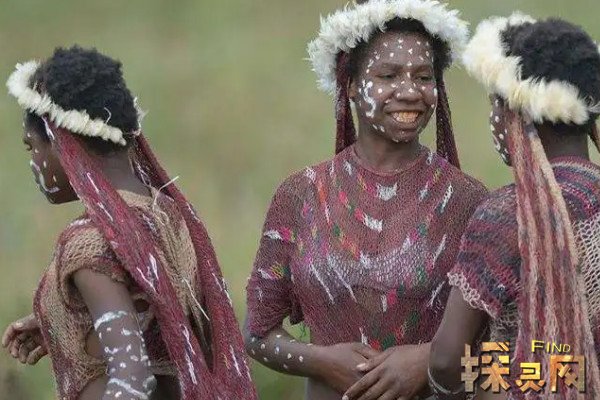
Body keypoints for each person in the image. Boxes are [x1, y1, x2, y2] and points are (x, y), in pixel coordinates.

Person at [244, 1, 487, 399]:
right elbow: (257, 333)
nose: (409, 91)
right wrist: (321, 360)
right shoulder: (301, 193)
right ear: (352, 85)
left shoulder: (468, 201)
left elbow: (507, 345)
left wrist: (427, 361)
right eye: (388, 75)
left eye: (424, 77)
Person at [1, 46, 256, 400]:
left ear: (60, 142)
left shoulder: (87, 243)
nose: (33, 162)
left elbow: (132, 378)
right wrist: (65, 320)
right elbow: (157, 318)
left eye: (32, 147)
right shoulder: (167, 216)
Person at [428, 13, 600, 399]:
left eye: (496, 102)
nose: (494, 116)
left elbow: (446, 360)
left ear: (518, 110)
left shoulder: (509, 214)